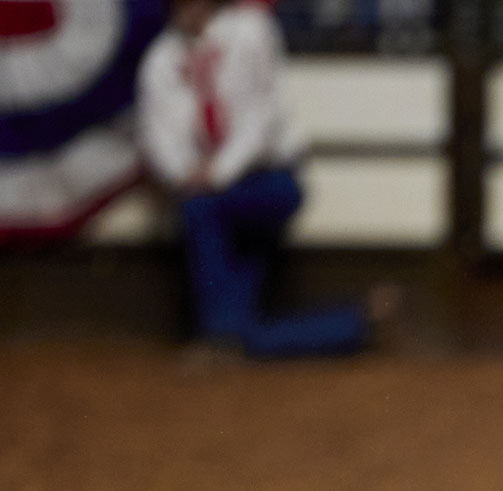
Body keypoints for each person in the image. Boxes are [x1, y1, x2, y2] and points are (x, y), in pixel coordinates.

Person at [136, 0, 381, 357]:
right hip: (210, 189)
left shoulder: (251, 30)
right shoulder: (160, 58)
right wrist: (184, 172)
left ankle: (220, 339)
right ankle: (356, 324)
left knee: (201, 211)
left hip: (269, 178)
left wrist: (216, 173)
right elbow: (157, 135)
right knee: (241, 318)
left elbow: (263, 116)